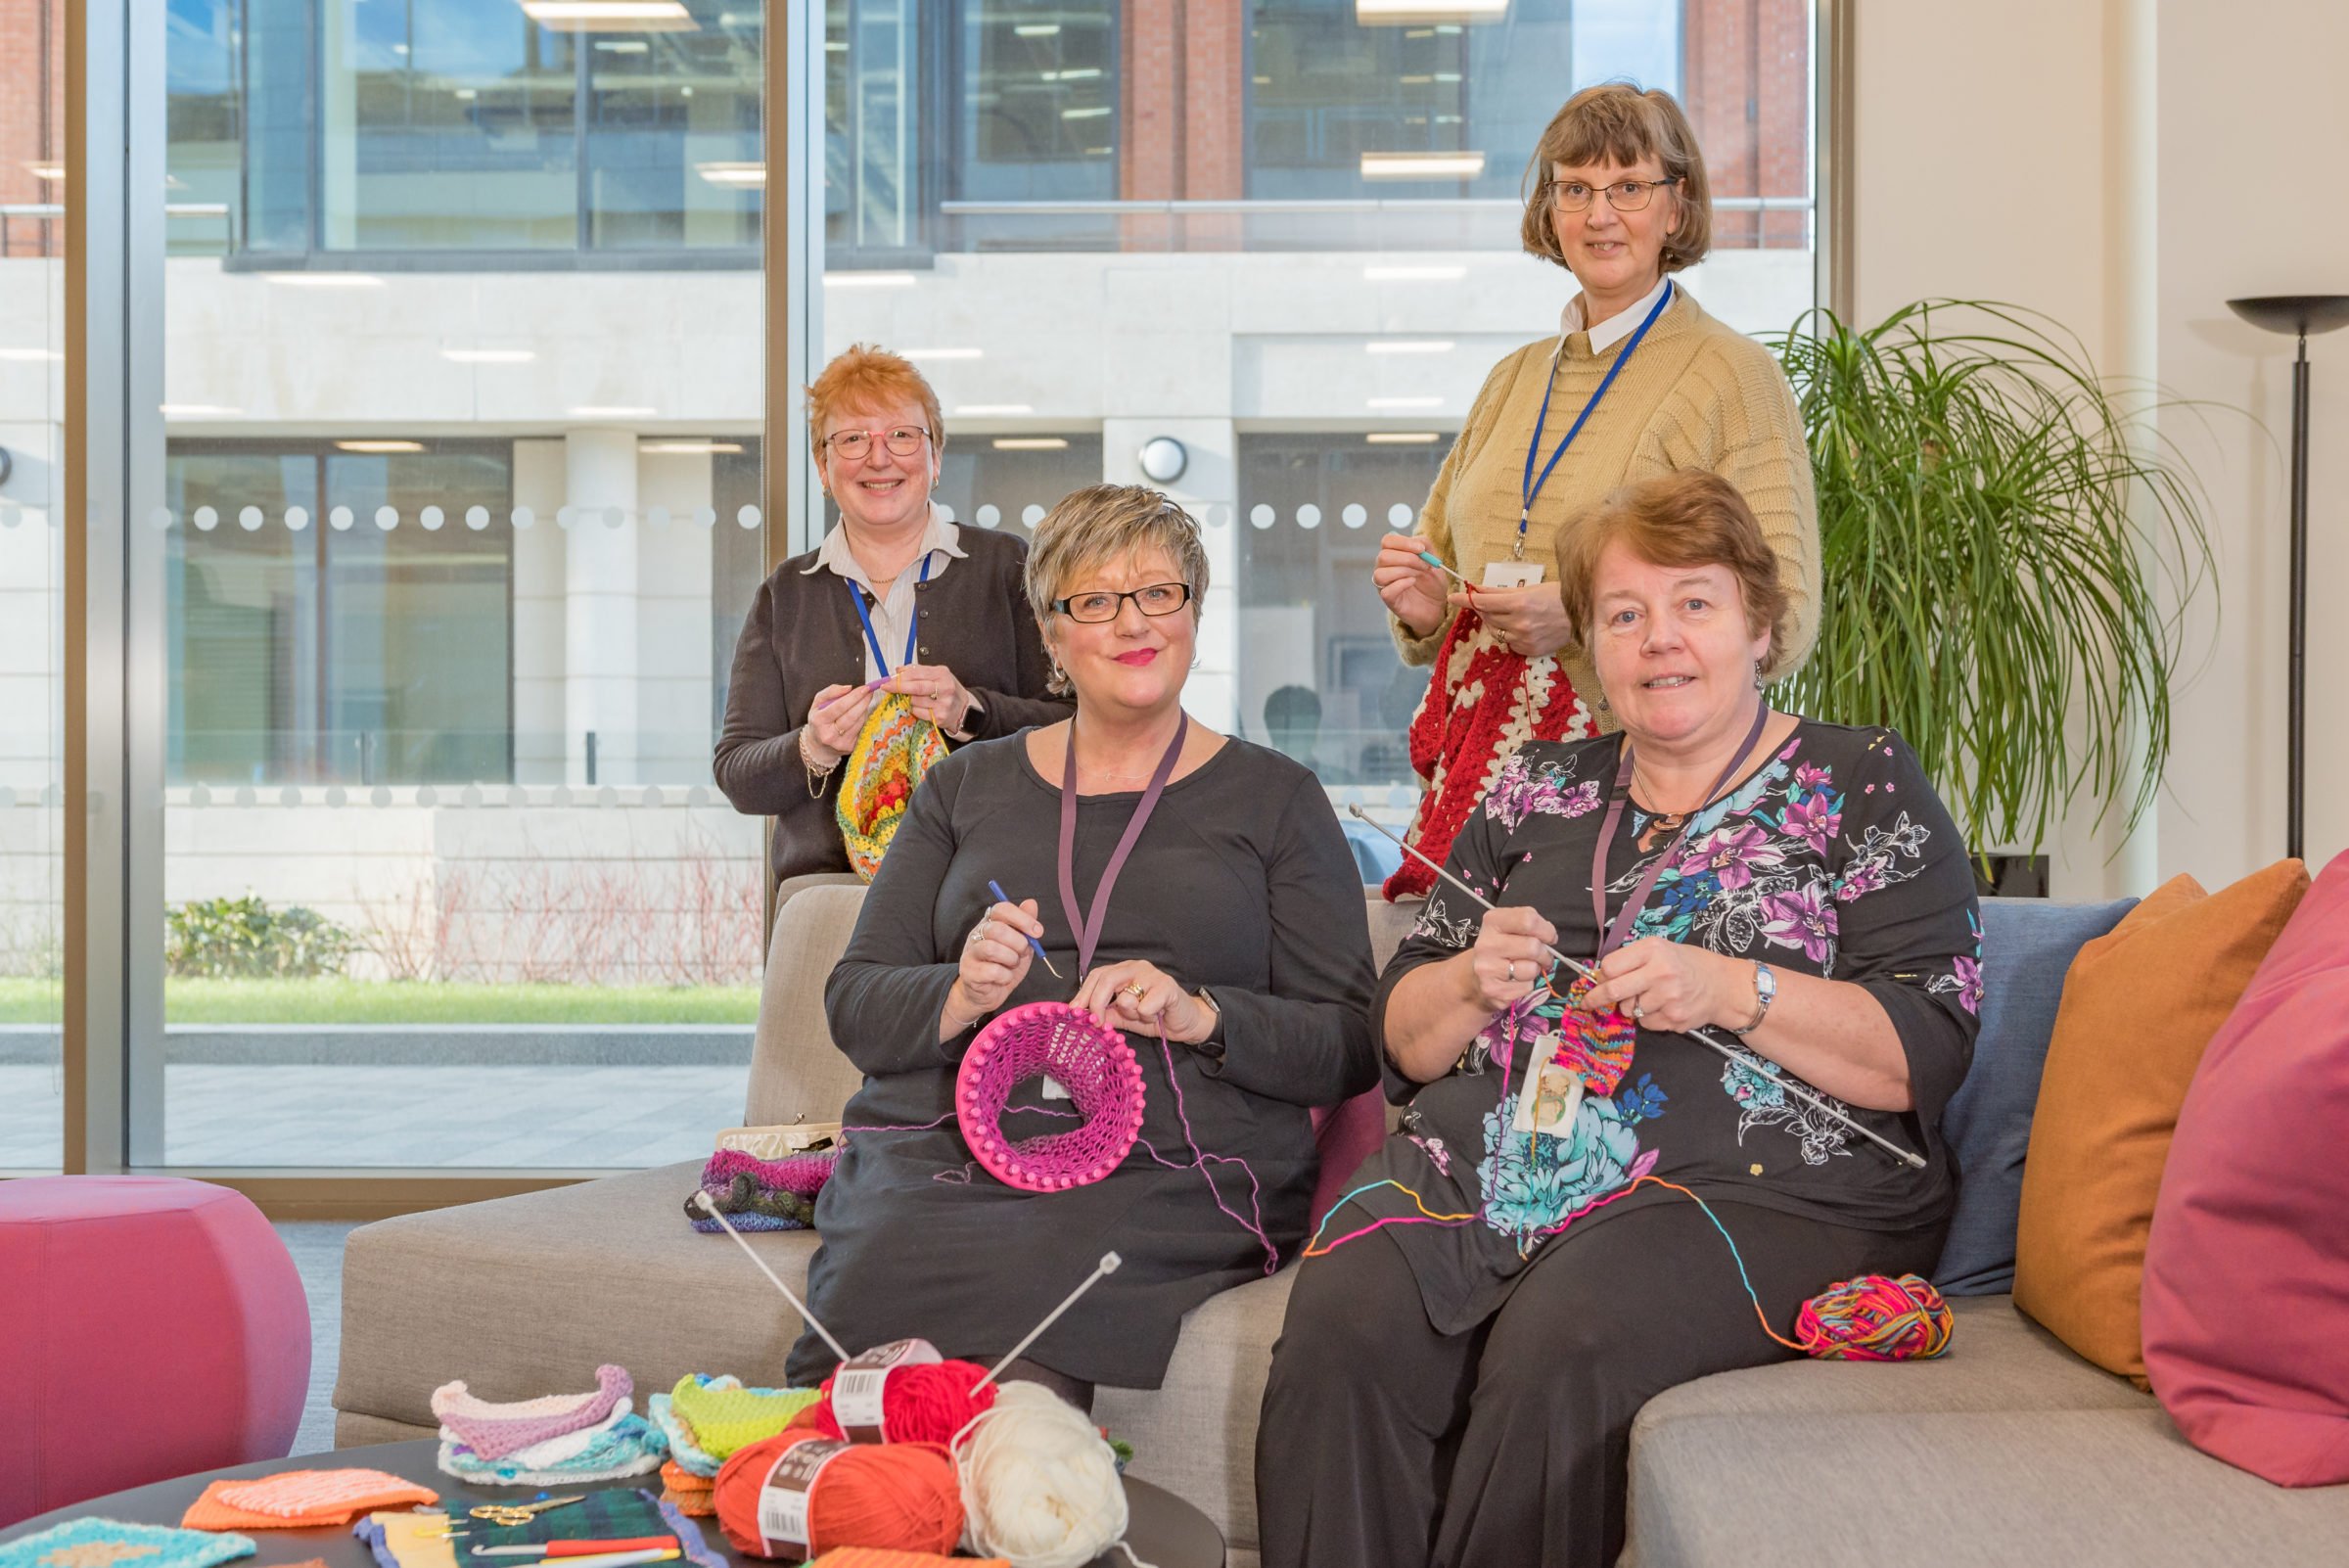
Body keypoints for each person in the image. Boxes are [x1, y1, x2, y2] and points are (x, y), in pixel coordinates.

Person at [1262, 471, 1981, 1568]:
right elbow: (1398, 1039)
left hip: (1760, 1184)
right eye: (1624, 614)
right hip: (1500, 1153)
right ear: (1592, 645)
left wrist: (1734, 990)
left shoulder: (1859, 779)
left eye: (1695, 603)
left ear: (1760, 626)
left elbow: (1924, 1050)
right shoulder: (1532, 786)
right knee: (1342, 1320)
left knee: (1570, 1339)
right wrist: (1468, 984)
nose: (1660, 639)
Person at [787, 484, 1379, 1404]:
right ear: (1053, 637)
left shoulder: (1278, 798)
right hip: (955, 1137)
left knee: (1042, 1262)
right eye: (1096, 601)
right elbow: (855, 1002)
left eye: (1159, 593)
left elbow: (1346, 1045)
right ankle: (864, 1481)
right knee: (888, 1258)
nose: (1133, 622)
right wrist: (961, 991)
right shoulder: (961, 789)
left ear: (1193, 614)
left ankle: (1018, 1482)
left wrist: (1202, 1015)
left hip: (1171, 1152)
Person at [1370, 82, 1819, 900]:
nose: (1600, 214)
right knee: (1460, 982)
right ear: (1549, 212)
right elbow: (1441, 562)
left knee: (1598, 988)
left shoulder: (1735, 376)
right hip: (1476, 787)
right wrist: (1425, 607)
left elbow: (1782, 613)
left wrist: (1583, 618)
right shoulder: (1511, 380)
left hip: (1644, 793)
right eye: (1575, 188)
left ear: (1677, 208)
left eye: (1630, 187)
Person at [714, 344, 1070, 885]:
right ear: (823, 467)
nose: (879, 458)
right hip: (833, 889)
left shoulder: (1009, 567)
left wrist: (971, 713)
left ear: (936, 457)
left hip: (983, 884)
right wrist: (813, 746)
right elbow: (738, 776)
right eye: (852, 439)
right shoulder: (785, 595)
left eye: (902, 435)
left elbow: (1076, 728)